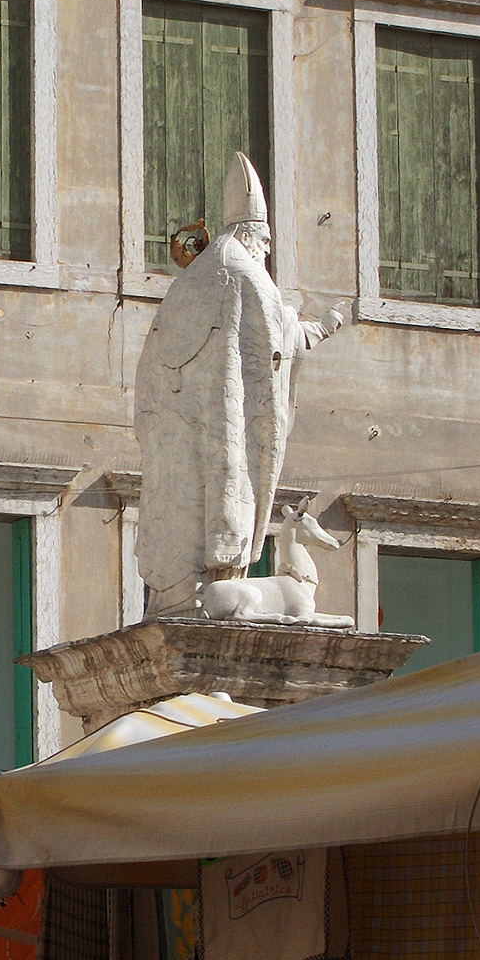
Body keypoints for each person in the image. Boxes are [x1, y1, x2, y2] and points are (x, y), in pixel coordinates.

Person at [134, 153, 342, 618]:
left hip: (179, 431)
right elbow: (273, 340)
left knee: (184, 506)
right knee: (226, 493)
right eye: (266, 242)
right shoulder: (248, 274)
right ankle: (219, 583)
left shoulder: (192, 279)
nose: (266, 251)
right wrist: (318, 329)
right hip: (224, 430)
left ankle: (180, 594)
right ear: (255, 235)